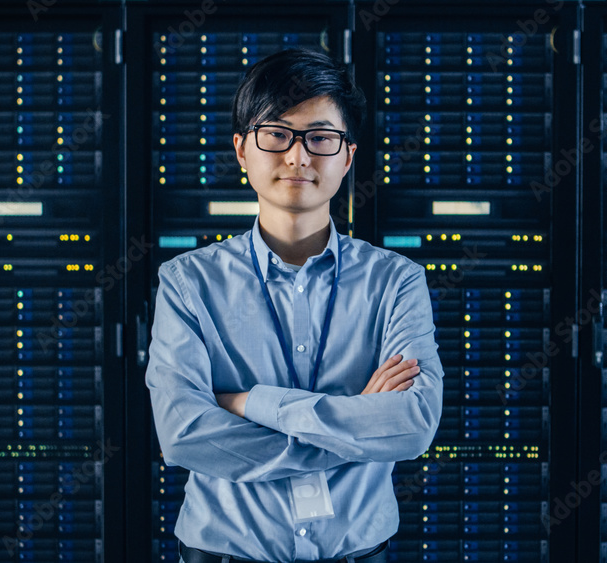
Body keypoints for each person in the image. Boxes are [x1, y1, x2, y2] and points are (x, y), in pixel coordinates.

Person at [145, 48, 443, 563]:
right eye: (277, 134)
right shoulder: (187, 283)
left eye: (321, 138)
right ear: (242, 150)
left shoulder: (397, 282)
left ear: (348, 156)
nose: (298, 157)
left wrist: (244, 402)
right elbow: (184, 436)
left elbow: (413, 424)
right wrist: (358, 428)